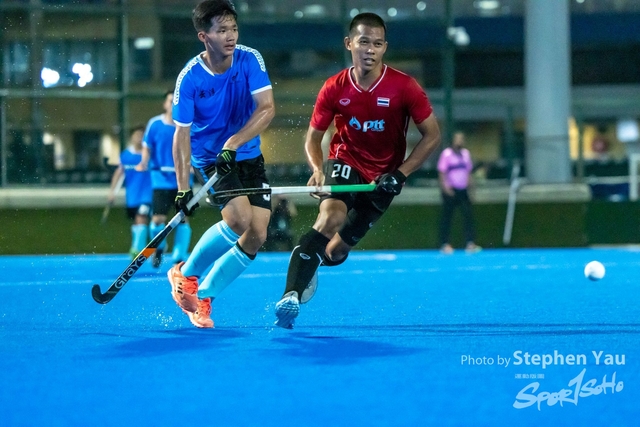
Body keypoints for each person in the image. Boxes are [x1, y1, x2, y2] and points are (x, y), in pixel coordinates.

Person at [273, 12, 441, 329]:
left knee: (336, 251)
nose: (370, 50)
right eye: (364, 42)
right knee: (330, 218)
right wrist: (317, 170)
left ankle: (312, 259)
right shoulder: (334, 87)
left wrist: (401, 174)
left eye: (377, 44)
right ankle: (290, 296)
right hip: (345, 160)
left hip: (384, 178)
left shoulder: (405, 87)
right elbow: (313, 138)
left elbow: (432, 135)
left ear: (385, 47)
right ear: (349, 43)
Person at [167, 0, 275, 328]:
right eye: (222, 30)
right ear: (204, 36)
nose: (230, 36)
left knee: (257, 234)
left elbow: (267, 108)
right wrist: (183, 188)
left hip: (247, 153)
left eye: (234, 28)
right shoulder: (190, 78)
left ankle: (204, 297)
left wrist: (234, 143)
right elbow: (181, 136)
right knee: (239, 220)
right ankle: (186, 275)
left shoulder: (250, 59)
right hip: (212, 158)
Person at [137, 90, 192, 267]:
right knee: (157, 220)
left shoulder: (188, 124)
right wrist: (144, 162)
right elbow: (147, 146)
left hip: (183, 180)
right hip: (160, 179)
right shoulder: (155, 124)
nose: (173, 104)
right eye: (170, 100)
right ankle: (159, 247)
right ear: (165, 104)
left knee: (182, 218)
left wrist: (193, 166)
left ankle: (179, 257)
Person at [107, 125, 152, 259]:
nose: (139, 138)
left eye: (142, 136)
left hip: (147, 194)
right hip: (132, 196)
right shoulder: (125, 155)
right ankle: (142, 250)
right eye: (137, 135)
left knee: (141, 218)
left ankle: (136, 250)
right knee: (136, 223)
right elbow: (118, 173)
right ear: (132, 137)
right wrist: (112, 192)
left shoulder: (150, 154)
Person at [437, 131, 481, 254]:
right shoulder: (446, 154)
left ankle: (470, 243)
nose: (460, 141)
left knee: (468, 217)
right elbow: (442, 172)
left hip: (463, 190)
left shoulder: (466, 154)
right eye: (457, 139)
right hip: (451, 191)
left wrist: (472, 190)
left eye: (461, 139)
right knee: (447, 218)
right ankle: (445, 243)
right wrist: (446, 188)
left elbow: (469, 173)